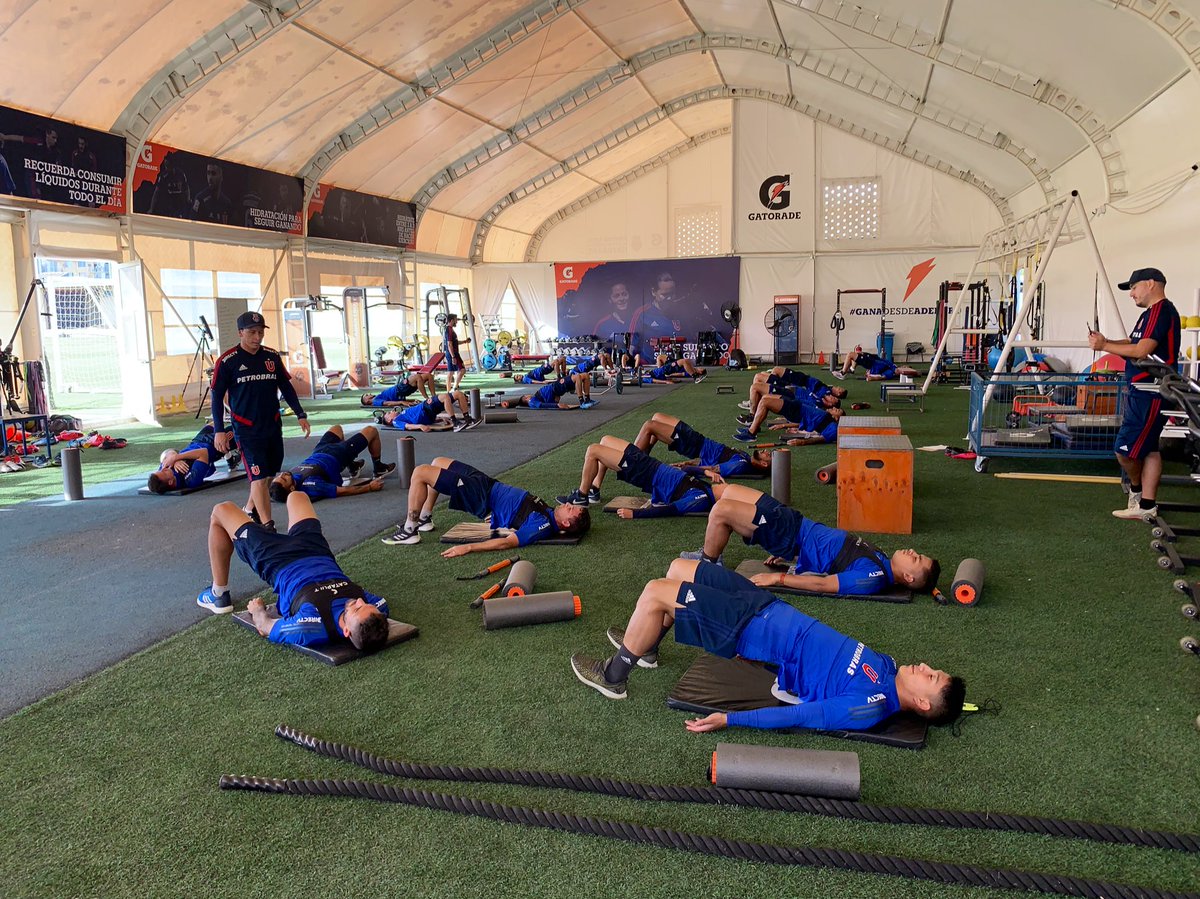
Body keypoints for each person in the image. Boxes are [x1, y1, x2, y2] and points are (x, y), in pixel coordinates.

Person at [570, 558, 965, 734]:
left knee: (656, 592)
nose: (926, 666)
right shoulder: (887, 667)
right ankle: (647, 644)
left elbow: (799, 717)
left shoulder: (868, 707)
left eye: (931, 677)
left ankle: (614, 676)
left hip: (750, 630)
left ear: (924, 703)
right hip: (768, 607)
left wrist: (729, 719)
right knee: (678, 568)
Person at [197, 492, 390, 654]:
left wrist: (257, 610)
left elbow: (265, 627)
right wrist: (362, 609)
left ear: (346, 631)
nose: (360, 601)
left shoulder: (310, 627)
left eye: (356, 608)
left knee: (221, 510)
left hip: (277, 560)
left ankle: (218, 593)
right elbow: (376, 607)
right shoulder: (377, 609)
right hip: (317, 551)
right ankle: (270, 517)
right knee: (297, 496)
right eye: (365, 604)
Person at [678, 482, 939, 595]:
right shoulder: (882, 560)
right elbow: (831, 555)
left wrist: (778, 578)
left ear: (909, 578)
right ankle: (712, 551)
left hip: (789, 534)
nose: (912, 551)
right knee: (727, 492)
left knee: (721, 511)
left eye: (916, 559)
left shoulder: (872, 578)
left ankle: (709, 562)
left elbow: (823, 585)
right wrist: (792, 558)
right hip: (794, 522)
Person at [1087, 267, 1181, 519]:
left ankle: (1137, 491)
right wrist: (1106, 341)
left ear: (1151, 284)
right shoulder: (1149, 314)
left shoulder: (1162, 311)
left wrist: (1105, 346)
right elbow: (1133, 343)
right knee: (1150, 448)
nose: (1131, 294)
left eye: (1134, 287)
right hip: (1143, 391)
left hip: (1151, 392)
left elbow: (1142, 351)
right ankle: (1146, 506)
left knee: (1123, 450)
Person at [210, 311, 310, 531]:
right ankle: (268, 525)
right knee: (257, 477)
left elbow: (286, 387)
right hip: (246, 430)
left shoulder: (271, 357)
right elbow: (216, 396)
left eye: (260, 332)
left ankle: (249, 510)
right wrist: (219, 430)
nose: (257, 337)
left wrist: (300, 414)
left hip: (272, 426)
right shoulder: (227, 361)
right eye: (252, 332)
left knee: (267, 476)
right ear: (240, 333)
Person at [382, 456, 591, 550]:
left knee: (420, 473)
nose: (568, 504)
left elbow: (507, 542)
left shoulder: (542, 525)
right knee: (438, 462)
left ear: (565, 524)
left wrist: (470, 548)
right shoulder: (549, 513)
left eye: (571, 510)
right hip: (488, 484)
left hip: (481, 496)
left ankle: (410, 530)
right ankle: (425, 518)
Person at [559, 435, 714, 518]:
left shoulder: (701, 498)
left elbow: (669, 510)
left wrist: (635, 514)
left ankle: (581, 496)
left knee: (593, 451)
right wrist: (705, 471)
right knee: (605, 440)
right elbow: (688, 472)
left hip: (645, 473)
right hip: (650, 463)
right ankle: (594, 490)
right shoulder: (707, 488)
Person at [268, 424, 395, 502]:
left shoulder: (289, 478)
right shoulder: (311, 486)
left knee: (337, 428)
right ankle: (378, 467)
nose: (282, 475)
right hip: (339, 455)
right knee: (371, 430)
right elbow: (342, 491)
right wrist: (369, 487)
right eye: (283, 479)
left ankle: (353, 466)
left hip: (319, 450)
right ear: (291, 488)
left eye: (279, 477)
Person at [634, 412, 771, 479]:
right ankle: (643, 456)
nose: (765, 450)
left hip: (693, 445)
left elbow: (713, 468)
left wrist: (686, 467)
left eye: (768, 455)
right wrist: (686, 462)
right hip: (697, 439)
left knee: (649, 426)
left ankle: (633, 460)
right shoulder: (745, 457)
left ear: (764, 464)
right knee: (656, 417)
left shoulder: (740, 464)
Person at [146, 424, 239, 494]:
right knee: (241, 427)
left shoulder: (163, 470)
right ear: (170, 482)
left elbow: (168, 452)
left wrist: (175, 459)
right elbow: (203, 453)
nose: (164, 468)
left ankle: (231, 459)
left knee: (215, 422)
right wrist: (176, 457)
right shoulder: (191, 480)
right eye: (164, 472)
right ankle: (232, 457)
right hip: (214, 445)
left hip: (197, 441)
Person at [734, 395, 842, 445]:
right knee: (765, 398)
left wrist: (802, 442)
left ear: (836, 418)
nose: (834, 409)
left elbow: (821, 439)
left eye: (837, 411)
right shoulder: (825, 415)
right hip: (797, 405)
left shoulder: (834, 429)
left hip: (797, 411)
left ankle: (751, 433)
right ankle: (754, 428)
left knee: (765, 402)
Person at [380, 391, 479, 431]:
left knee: (458, 394)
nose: (391, 411)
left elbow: (419, 419)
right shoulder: (396, 421)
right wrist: (420, 426)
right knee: (445, 397)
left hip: (429, 412)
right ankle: (456, 423)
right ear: (389, 420)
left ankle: (468, 419)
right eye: (389, 413)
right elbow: (408, 426)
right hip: (425, 407)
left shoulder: (402, 415)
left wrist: (439, 419)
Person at [503, 373, 594, 409]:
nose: (529, 395)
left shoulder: (536, 398)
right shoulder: (531, 402)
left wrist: (556, 400)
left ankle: (587, 398)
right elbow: (541, 405)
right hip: (555, 388)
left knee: (585, 375)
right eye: (527, 395)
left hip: (556, 388)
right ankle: (582, 401)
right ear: (526, 398)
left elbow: (554, 399)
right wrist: (557, 405)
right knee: (578, 376)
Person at [360, 370, 435, 406]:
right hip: (399, 389)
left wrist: (412, 400)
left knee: (429, 375)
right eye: (366, 395)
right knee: (418, 377)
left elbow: (394, 399)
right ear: (366, 401)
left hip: (401, 390)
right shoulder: (375, 401)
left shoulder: (377, 397)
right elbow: (387, 403)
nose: (368, 394)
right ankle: (427, 398)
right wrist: (402, 402)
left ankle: (434, 396)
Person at [442, 312, 470, 391]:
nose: (456, 321)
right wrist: (453, 356)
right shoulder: (449, 330)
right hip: (452, 353)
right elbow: (449, 344)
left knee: (452, 372)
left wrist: (465, 341)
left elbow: (454, 342)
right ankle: (453, 389)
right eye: (455, 320)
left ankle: (450, 390)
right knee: (461, 370)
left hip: (452, 353)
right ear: (451, 320)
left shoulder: (450, 330)